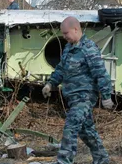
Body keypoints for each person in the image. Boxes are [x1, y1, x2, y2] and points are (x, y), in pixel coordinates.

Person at [42, 16, 114, 164]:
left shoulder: (89, 48)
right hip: (73, 98)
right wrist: (50, 84)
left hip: (85, 97)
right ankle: (102, 160)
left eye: (66, 33)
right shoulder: (69, 48)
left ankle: (64, 161)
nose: (64, 36)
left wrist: (106, 95)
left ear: (76, 29)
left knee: (71, 126)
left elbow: (100, 73)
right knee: (86, 132)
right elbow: (61, 69)